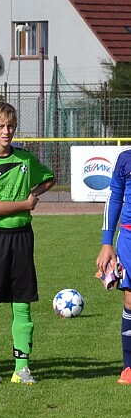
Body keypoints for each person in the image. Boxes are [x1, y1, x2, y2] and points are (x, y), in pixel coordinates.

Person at [0, 102, 54, 385]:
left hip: (21, 238)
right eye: (1, 126)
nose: (7, 132)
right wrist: (26, 203)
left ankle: (21, 368)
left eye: (11, 126)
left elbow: (49, 178)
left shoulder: (24, 158)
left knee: (22, 304)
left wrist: (34, 191)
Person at [96, 148, 131, 384]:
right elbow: (114, 197)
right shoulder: (125, 158)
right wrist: (107, 242)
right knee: (130, 301)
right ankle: (129, 367)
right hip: (129, 236)